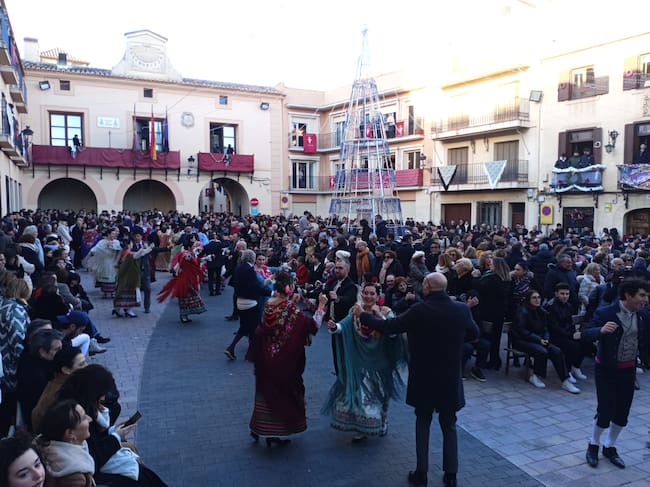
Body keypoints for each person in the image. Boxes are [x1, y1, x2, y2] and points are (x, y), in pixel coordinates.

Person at [359, 273, 478, 487]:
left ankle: (421, 473)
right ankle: (451, 474)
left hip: (423, 376)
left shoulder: (420, 311)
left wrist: (365, 316)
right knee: (449, 424)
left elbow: (390, 327)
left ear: (426, 287)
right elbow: (474, 333)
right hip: (449, 376)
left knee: (422, 423)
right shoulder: (461, 309)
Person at [57, 364, 168, 486]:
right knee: (142, 477)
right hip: (101, 475)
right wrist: (115, 437)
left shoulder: (81, 405)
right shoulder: (71, 414)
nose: (88, 419)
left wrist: (113, 431)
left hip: (101, 466)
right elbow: (94, 456)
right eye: (84, 417)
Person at [323, 282, 407, 442]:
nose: (368, 296)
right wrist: (335, 327)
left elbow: (392, 333)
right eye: (365, 293)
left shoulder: (385, 312)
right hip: (361, 361)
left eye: (372, 294)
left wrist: (379, 317)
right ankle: (363, 428)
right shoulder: (355, 311)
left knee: (380, 396)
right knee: (361, 396)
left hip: (380, 362)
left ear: (378, 296)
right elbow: (345, 325)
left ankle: (382, 421)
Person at [249, 271, 326, 446]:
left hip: (266, 356)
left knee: (264, 393)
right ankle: (272, 433)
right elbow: (312, 326)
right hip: (284, 361)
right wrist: (321, 306)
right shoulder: (290, 309)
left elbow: (278, 323)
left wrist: (293, 303)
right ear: (289, 288)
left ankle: (258, 427)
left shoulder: (270, 305)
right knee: (283, 395)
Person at [582, 278, 650, 469]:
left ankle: (610, 446)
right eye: (642, 295)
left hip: (628, 370)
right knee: (605, 410)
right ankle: (593, 443)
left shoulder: (643, 315)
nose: (645, 300)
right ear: (628, 295)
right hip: (606, 369)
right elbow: (586, 333)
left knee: (622, 412)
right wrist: (600, 330)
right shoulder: (607, 312)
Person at [511, 290, 580, 393]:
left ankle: (565, 380)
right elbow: (522, 331)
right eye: (534, 298)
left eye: (538, 297)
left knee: (556, 351)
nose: (537, 300)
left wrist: (546, 338)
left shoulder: (541, 311)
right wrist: (539, 340)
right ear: (528, 299)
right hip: (522, 340)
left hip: (539, 339)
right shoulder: (523, 311)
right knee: (542, 351)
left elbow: (545, 328)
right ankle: (535, 376)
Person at [224, 249, 271, 361]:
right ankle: (251, 355)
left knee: (244, 328)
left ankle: (231, 348)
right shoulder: (250, 270)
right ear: (253, 258)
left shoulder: (239, 268)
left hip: (240, 301)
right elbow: (255, 287)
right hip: (250, 302)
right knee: (255, 328)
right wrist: (271, 292)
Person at [36, 399, 96, 487]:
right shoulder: (76, 479)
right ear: (70, 434)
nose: (90, 419)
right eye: (84, 418)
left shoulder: (46, 446)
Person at [31, 345, 87, 433]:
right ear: (66, 370)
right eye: (81, 364)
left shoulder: (57, 380)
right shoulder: (63, 392)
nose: (86, 367)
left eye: (85, 362)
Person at [321, 254, 358, 375]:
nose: (337, 270)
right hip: (333, 322)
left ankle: (346, 375)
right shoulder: (334, 282)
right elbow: (326, 293)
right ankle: (339, 373)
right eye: (336, 268)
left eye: (340, 268)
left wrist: (338, 299)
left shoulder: (351, 285)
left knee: (344, 351)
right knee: (336, 351)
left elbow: (349, 300)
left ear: (347, 269)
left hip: (344, 324)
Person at [157, 239, 206, 324]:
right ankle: (183, 315)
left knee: (189, 296)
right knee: (185, 297)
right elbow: (190, 261)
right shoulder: (185, 255)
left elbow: (195, 261)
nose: (194, 247)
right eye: (193, 246)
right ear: (189, 247)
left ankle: (185, 315)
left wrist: (203, 258)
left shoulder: (187, 254)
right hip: (185, 278)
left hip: (189, 277)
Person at [84, 228, 122, 298]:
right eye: (112, 234)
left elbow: (118, 250)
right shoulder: (102, 242)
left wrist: (112, 246)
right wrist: (92, 252)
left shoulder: (116, 242)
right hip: (104, 261)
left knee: (112, 277)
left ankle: (112, 292)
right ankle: (104, 292)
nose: (114, 235)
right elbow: (96, 248)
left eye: (114, 234)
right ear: (108, 234)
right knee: (104, 276)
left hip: (112, 261)